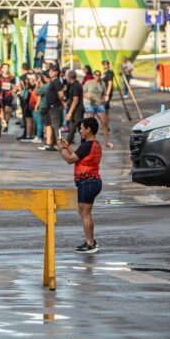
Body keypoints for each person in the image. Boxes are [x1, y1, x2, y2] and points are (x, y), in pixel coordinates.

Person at [57, 117, 102, 254]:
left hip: (87, 182)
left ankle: (90, 244)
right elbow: (79, 157)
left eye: (82, 129)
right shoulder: (95, 144)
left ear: (88, 129)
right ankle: (90, 241)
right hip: (93, 181)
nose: (80, 131)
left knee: (85, 213)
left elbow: (70, 159)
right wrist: (68, 147)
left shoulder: (87, 145)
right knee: (84, 212)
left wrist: (60, 149)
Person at [83, 70, 113, 150]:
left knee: (104, 123)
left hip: (99, 104)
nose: (98, 76)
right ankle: (88, 142)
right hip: (90, 104)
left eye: (99, 75)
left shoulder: (102, 83)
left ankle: (107, 142)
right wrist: (87, 97)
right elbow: (83, 92)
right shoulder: (88, 82)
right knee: (90, 124)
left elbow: (104, 93)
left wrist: (104, 98)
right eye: (96, 74)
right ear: (93, 75)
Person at [62, 70, 84, 144]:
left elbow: (75, 100)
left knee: (75, 125)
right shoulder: (72, 85)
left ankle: (68, 140)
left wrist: (70, 113)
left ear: (69, 77)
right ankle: (84, 140)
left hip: (77, 109)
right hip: (75, 108)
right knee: (78, 125)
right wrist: (66, 103)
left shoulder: (76, 86)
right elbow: (71, 98)